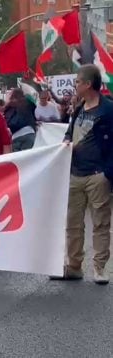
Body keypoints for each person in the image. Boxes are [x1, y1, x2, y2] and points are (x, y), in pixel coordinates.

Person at [52, 64, 113, 284]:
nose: (75, 84)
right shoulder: (79, 108)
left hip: (98, 175)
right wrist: (67, 140)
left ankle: (99, 268)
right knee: (73, 223)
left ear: (88, 84)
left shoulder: (108, 110)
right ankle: (74, 266)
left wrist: (107, 173)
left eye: (77, 81)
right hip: (75, 174)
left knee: (100, 223)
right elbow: (70, 131)